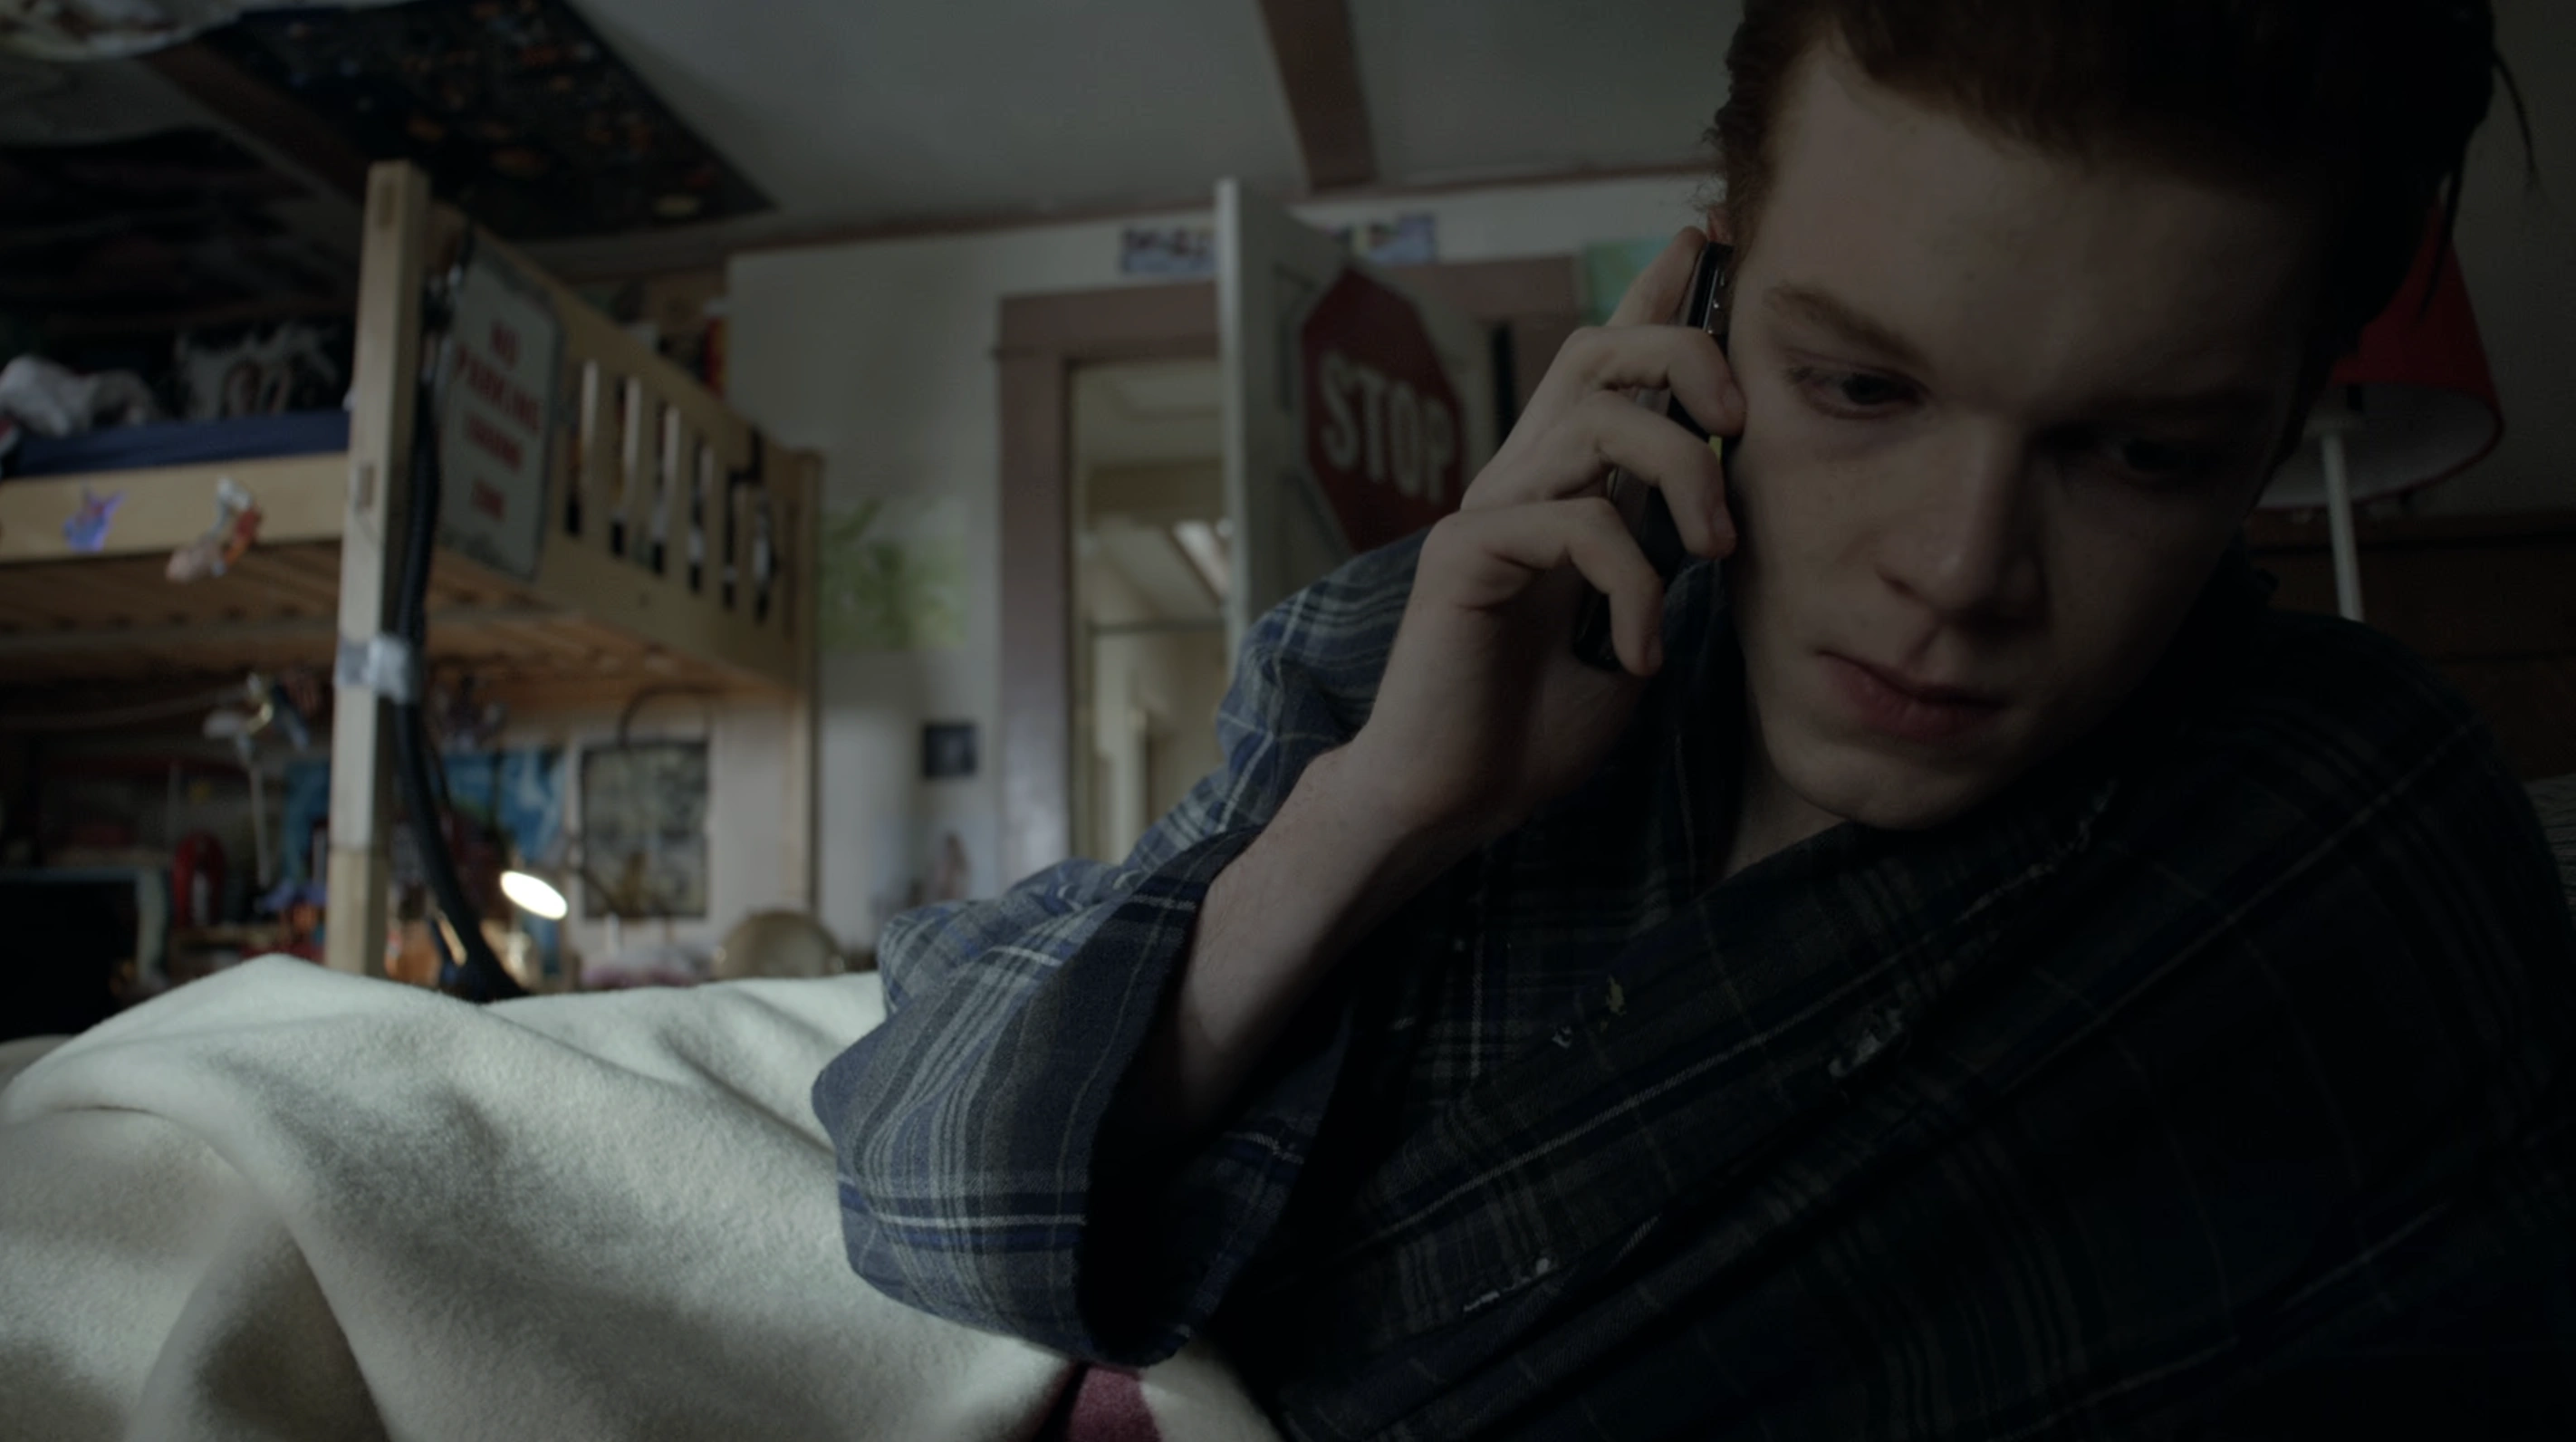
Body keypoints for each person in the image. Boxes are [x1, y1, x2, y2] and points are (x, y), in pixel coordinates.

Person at [816, 3, 2576, 1437]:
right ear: (1705, 300)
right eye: (1861, 385)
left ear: (2278, 429)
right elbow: (921, 1180)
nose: (1960, 569)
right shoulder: (1421, 646)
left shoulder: (2349, 836)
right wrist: (1381, 811)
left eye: (2142, 453)